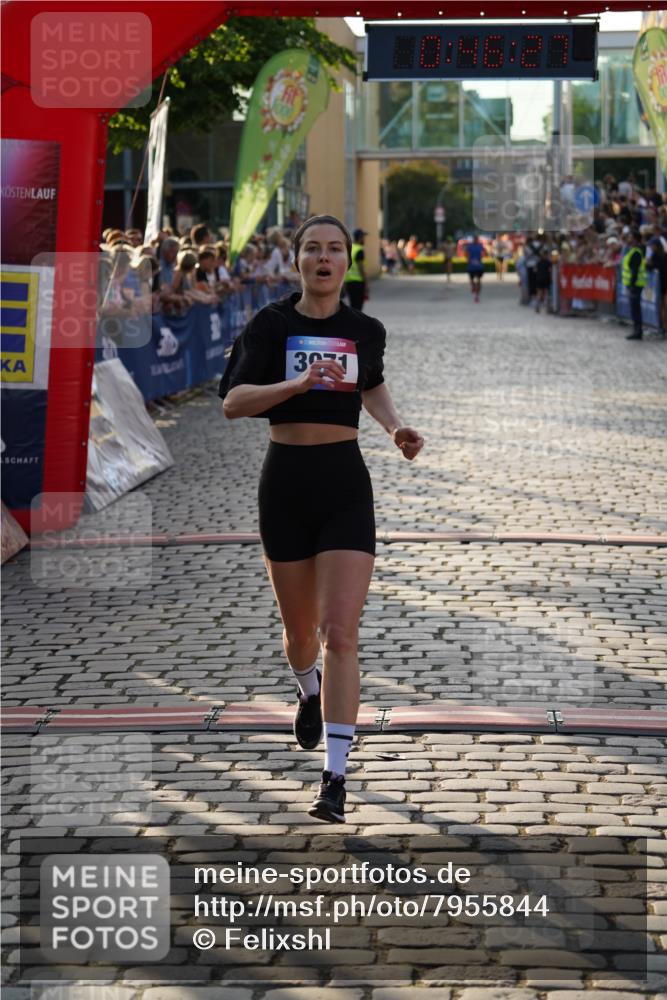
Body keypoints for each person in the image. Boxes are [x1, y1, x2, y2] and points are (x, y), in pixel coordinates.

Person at [218, 214, 424, 823]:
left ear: (347, 260)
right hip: (284, 485)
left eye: (335, 249)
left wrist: (395, 428)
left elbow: (374, 387)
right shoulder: (272, 324)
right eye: (313, 249)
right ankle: (305, 688)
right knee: (301, 634)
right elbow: (232, 403)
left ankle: (335, 777)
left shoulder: (365, 329)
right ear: (298, 260)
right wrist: (297, 381)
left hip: (344, 485)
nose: (324, 258)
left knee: (341, 631)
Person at [621, 229, 647, 340]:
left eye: (630, 237)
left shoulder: (636, 252)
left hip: (635, 285)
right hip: (635, 285)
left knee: (635, 309)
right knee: (634, 309)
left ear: (635, 239)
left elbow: (634, 271)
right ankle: (636, 330)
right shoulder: (633, 251)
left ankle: (638, 331)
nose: (628, 239)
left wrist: (632, 285)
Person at [343, 228, 367, 310]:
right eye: (363, 237)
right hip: (358, 282)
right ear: (360, 237)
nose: (364, 239)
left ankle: (352, 322)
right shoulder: (359, 250)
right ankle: (356, 323)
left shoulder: (350, 249)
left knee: (352, 306)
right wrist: (366, 283)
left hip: (348, 282)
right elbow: (361, 268)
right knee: (358, 307)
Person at [465, 234, 484, 302]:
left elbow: (484, 253)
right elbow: (467, 254)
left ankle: (477, 295)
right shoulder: (469, 246)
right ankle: (474, 288)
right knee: (472, 280)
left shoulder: (480, 246)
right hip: (471, 266)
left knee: (479, 280)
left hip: (478, 266)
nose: (476, 240)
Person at [534, 248, 552, 313]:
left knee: (539, 293)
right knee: (546, 293)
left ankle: (537, 307)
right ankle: (547, 308)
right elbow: (550, 271)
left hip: (539, 279)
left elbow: (535, 270)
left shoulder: (538, 262)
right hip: (546, 279)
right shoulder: (548, 262)